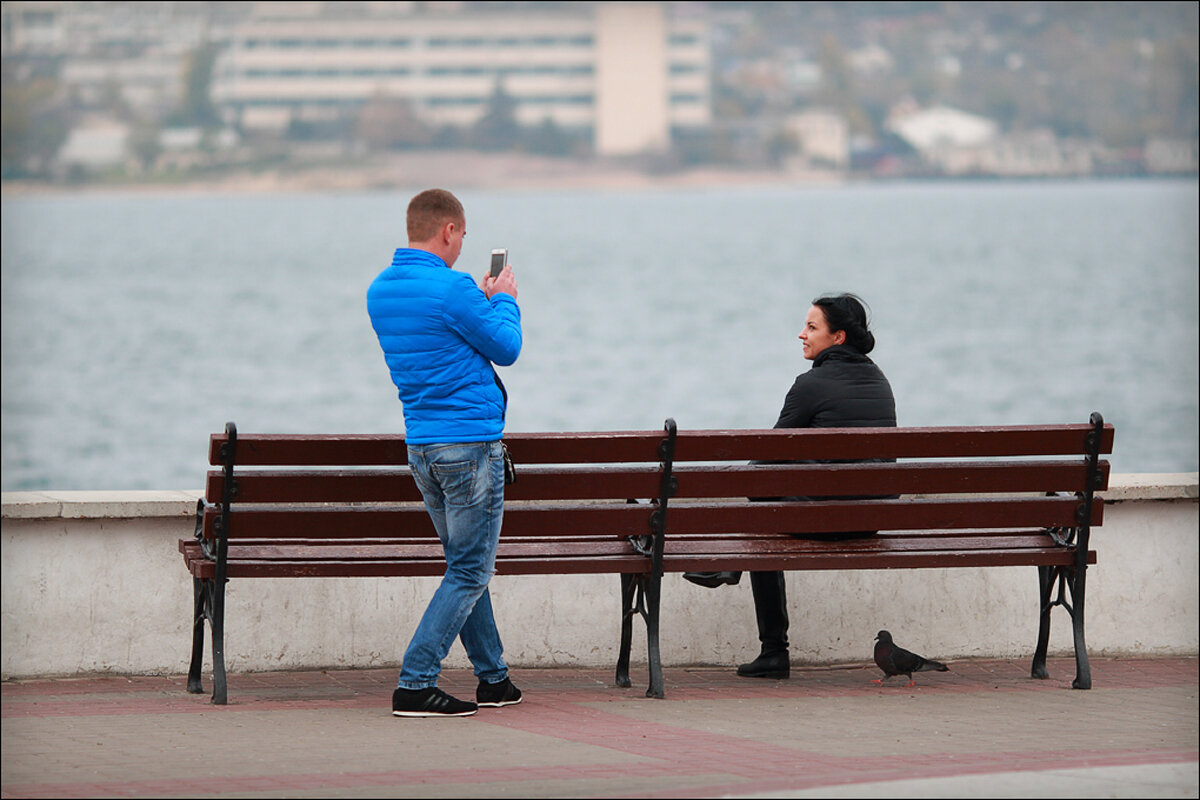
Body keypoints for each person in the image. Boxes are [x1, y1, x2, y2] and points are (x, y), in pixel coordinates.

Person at [367, 188, 524, 717]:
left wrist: (475, 303)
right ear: (449, 231)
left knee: (464, 564)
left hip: (423, 447)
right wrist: (502, 298)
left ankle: (493, 678)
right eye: (462, 236)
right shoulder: (454, 288)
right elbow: (506, 346)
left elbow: (442, 340)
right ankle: (415, 682)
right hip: (470, 448)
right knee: (470, 570)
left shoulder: (381, 291)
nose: (460, 246)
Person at [684, 293, 897, 679]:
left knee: (762, 502)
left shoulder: (809, 385)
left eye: (812, 327)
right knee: (767, 504)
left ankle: (772, 647)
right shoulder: (880, 382)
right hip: (870, 519)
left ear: (838, 338)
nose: (802, 334)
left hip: (824, 523)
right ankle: (731, 570)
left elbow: (767, 459)